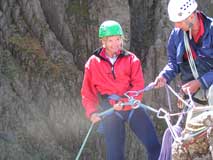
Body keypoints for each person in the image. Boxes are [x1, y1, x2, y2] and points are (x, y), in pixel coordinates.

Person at [81, 20, 161, 160]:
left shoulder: (131, 60)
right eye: (110, 40)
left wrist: (125, 102)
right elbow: (87, 92)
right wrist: (92, 112)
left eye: (118, 39)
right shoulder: (93, 63)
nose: (115, 44)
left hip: (131, 106)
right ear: (103, 42)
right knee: (115, 156)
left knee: (154, 146)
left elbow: (138, 86)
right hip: (111, 111)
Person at [153, 0, 213, 159]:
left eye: (179, 22)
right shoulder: (177, 35)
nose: (177, 26)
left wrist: (200, 82)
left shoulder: (212, 30)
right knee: (190, 141)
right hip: (195, 97)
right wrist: (164, 75)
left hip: (209, 89)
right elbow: (173, 63)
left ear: (191, 16)